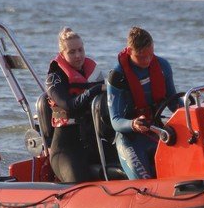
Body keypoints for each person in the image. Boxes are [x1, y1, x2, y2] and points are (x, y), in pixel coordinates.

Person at [106, 26, 179, 179]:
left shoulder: (163, 66)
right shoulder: (117, 76)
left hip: (156, 131)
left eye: (150, 55)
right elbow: (115, 121)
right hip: (130, 138)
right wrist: (133, 124)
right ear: (129, 51)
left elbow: (174, 103)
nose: (146, 60)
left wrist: (192, 109)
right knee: (145, 182)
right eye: (141, 57)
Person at [45, 27, 103, 183]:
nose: (78, 56)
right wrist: (96, 89)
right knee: (79, 182)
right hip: (66, 148)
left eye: (80, 50)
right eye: (71, 52)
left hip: (92, 141)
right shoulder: (55, 78)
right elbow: (68, 105)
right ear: (62, 54)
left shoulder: (94, 72)